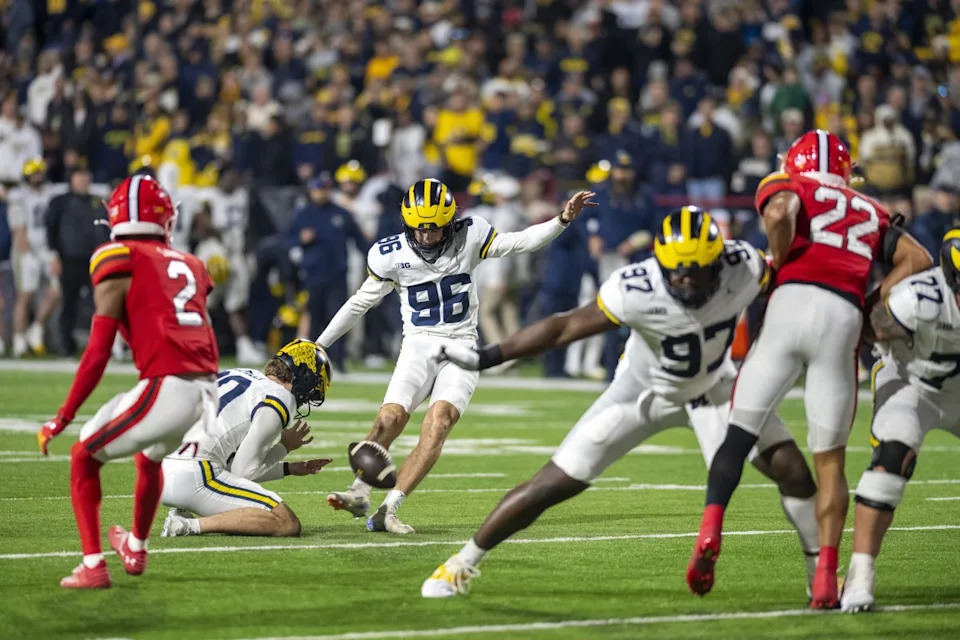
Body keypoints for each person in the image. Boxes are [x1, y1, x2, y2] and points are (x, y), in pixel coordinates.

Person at [420, 207, 819, 598]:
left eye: (695, 269)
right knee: (552, 484)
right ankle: (462, 563)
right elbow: (563, 328)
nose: (684, 279)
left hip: (715, 387)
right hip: (642, 392)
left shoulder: (745, 266)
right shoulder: (636, 289)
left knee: (793, 469)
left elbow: (790, 281)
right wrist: (488, 356)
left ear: (717, 261)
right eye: (675, 269)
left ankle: (819, 572)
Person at [687, 130, 933, 609]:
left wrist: (779, 259)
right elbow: (918, 259)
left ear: (794, 161)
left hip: (791, 301)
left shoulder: (788, 184)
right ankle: (825, 577)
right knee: (831, 462)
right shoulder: (870, 208)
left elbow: (779, 213)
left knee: (738, 437)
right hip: (841, 316)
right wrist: (870, 302)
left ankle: (710, 529)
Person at [319, 179, 597, 534]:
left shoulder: (472, 235)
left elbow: (520, 242)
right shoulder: (389, 253)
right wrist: (320, 343)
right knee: (389, 419)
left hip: (462, 345)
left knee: (439, 423)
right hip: (418, 343)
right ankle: (359, 492)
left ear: (450, 222)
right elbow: (360, 302)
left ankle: (388, 510)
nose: (428, 237)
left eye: (436, 229)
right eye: (420, 229)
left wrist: (561, 219)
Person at [36, 175, 219, 589]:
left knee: (84, 454)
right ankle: (135, 547)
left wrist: (61, 417)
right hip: (207, 391)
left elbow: (98, 352)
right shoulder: (191, 263)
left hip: (170, 384)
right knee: (149, 457)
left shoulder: (117, 256)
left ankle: (92, 566)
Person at [841, 230, 960, 612]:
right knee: (891, 461)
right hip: (912, 386)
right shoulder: (917, 298)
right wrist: (877, 328)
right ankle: (860, 573)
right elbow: (868, 327)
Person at [160, 340, 333, 538]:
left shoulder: (241, 373)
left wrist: (290, 468)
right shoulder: (281, 397)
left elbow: (232, 463)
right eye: (313, 389)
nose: (307, 398)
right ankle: (187, 526)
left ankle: (184, 507)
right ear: (303, 376)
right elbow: (243, 472)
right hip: (195, 475)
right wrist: (284, 447)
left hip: (165, 469)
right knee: (286, 522)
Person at [45, 164, 109, 357]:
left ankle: (99, 347)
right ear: (71, 179)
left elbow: (105, 231)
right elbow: (51, 229)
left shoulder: (97, 202)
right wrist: (53, 255)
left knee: (98, 305)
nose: (83, 180)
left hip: (94, 261)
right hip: (69, 259)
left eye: (85, 175)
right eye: (79, 176)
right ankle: (66, 347)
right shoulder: (60, 202)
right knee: (68, 304)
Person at [7, 158, 58, 356]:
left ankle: (35, 329)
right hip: (26, 251)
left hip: (46, 249)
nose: (38, 175)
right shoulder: (19, 196)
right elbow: (18, 229)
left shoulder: (49, 193)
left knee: (55, 292)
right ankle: (19, 341)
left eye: (40, 171)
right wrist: (27, 254)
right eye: (34, 172)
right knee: (25, 296)